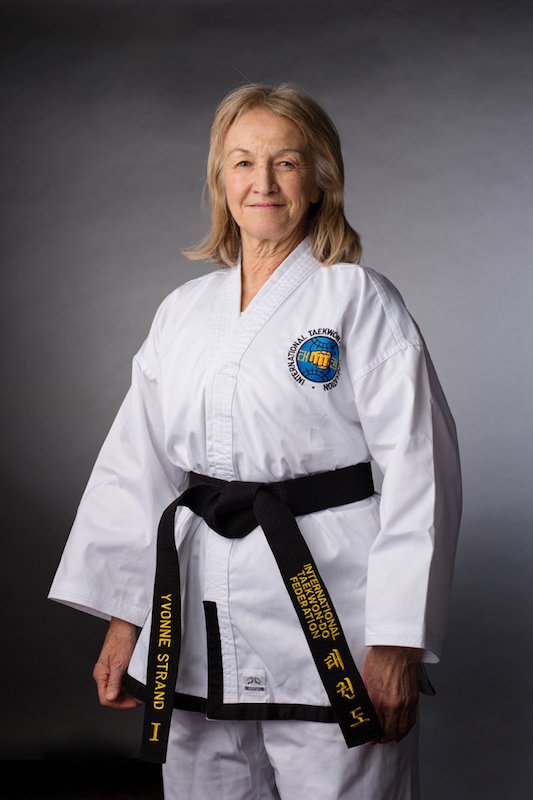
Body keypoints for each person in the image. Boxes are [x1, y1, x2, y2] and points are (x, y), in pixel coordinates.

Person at [49, 83, 462, 800]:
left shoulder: (357, 299)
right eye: (243, 162)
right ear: (221, 180)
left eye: (286, 162)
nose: (262, 182)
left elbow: (420, 472)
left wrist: (397, 641)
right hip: (196, 623)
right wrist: (125, 623)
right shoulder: (183, 312)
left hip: (332, 616)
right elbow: (136, 471)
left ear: (320, 180)